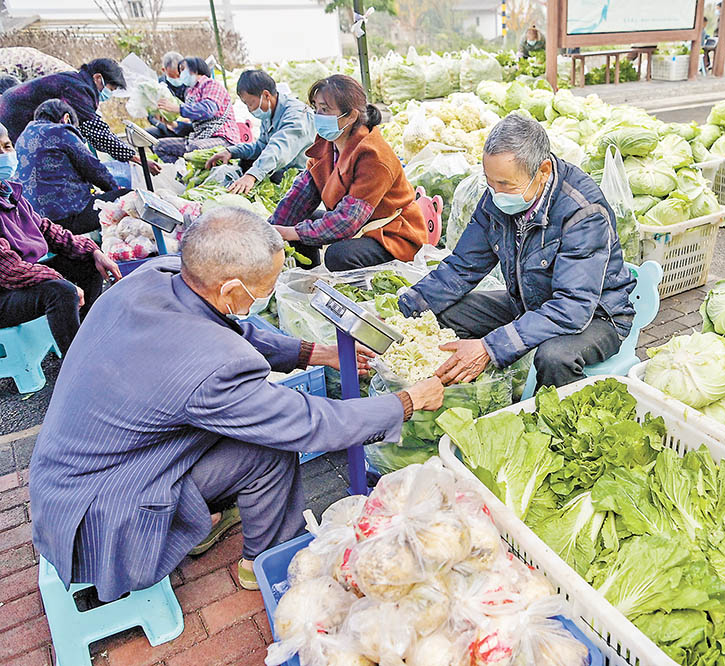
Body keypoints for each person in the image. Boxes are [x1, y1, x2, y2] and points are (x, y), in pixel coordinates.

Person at [29, 206, 444, 601]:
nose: (265, 297)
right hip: (101, 521)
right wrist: (406, 401)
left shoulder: (154, 278)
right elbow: (308, 422)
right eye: (264, 289)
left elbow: (230, 329)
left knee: (237, 429)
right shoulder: (216, 367)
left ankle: (203, 515)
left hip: (64, 486)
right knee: (269, 448)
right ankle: (262, 563)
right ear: (229, 288)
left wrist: (312, 352)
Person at [398, 114, 636, 389]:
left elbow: (572, 307)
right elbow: (462, 266)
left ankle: (553, 421)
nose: (496, 194)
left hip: (596, 315)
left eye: (506, 185)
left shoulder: (583, 212)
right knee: (445, 314)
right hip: (529, 302)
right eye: (490, 182)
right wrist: (405, 309)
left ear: (543, 171)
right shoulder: (498, 198)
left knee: (554, 356)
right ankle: (478, 393)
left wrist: (490, 347)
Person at [268, 75, 427, 271]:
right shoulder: (328, 142)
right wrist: (270, 230)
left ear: (351, 116)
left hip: (391, 232)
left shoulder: (374, 157)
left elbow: (348, 219)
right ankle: (310, 281)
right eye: (315, 108)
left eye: (325, 110)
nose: (317, 115)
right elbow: (301, 194)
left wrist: (292, 232)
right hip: (361, 224)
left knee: (339, 255)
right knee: (296, 224)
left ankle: (358, 296)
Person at [0, 122, 121, 355]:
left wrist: (92, 250)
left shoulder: (9, 192)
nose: (5, 155)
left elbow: (46, 229)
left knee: (88, 264)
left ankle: (85, 337)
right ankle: (76, 362)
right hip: (3, 292)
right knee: (60, 290)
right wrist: (61, 279)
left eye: (7, 146)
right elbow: (10, 270)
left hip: (18, 279)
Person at [0, 59, 158, 175]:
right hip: (14, 122)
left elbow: (89, 129)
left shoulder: (75, 82)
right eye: (111, 88)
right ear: (97, 78)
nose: (109, 93)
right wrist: (137, 159)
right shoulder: (77, 88)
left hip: (14, 118)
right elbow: (97, 132)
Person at [16, 99, 131, 235]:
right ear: (66, 118)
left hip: (34, 220)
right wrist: (114, 191)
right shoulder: (61, 131)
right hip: (67, 217)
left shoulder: (23, 137)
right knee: (128, 197)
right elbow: (93, 168)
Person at [203, 70, 314, 195]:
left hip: (300, 176)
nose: (250, 109)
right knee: (243, 163)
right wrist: (231, 151)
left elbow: (279, 148)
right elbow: (262, 146)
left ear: (266, 95)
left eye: (250, 103)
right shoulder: (270, 113)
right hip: (279, 170)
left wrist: (252, 175)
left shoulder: (296, 114)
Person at [151, 57, 239, 163]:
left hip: (222, 138)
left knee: (195, 148)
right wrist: (172, 124)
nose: (181, 74)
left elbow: (207, 110)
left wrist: (177, 108)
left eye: (183, 69)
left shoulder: (211, 85)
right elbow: (195, 127)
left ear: (195, 69)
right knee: (160, 146)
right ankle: (183, 177)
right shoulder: (190, 93)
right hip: (200, 138)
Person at [146, 51, 192, 140]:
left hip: (190, 125)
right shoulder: (157, 86)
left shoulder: (192, 82)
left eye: (179, 75)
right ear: (164, 70)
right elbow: (151, 116)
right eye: (172, 76)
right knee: (149, 134)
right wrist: (165, 124)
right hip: (168, 127)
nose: (177, 79)